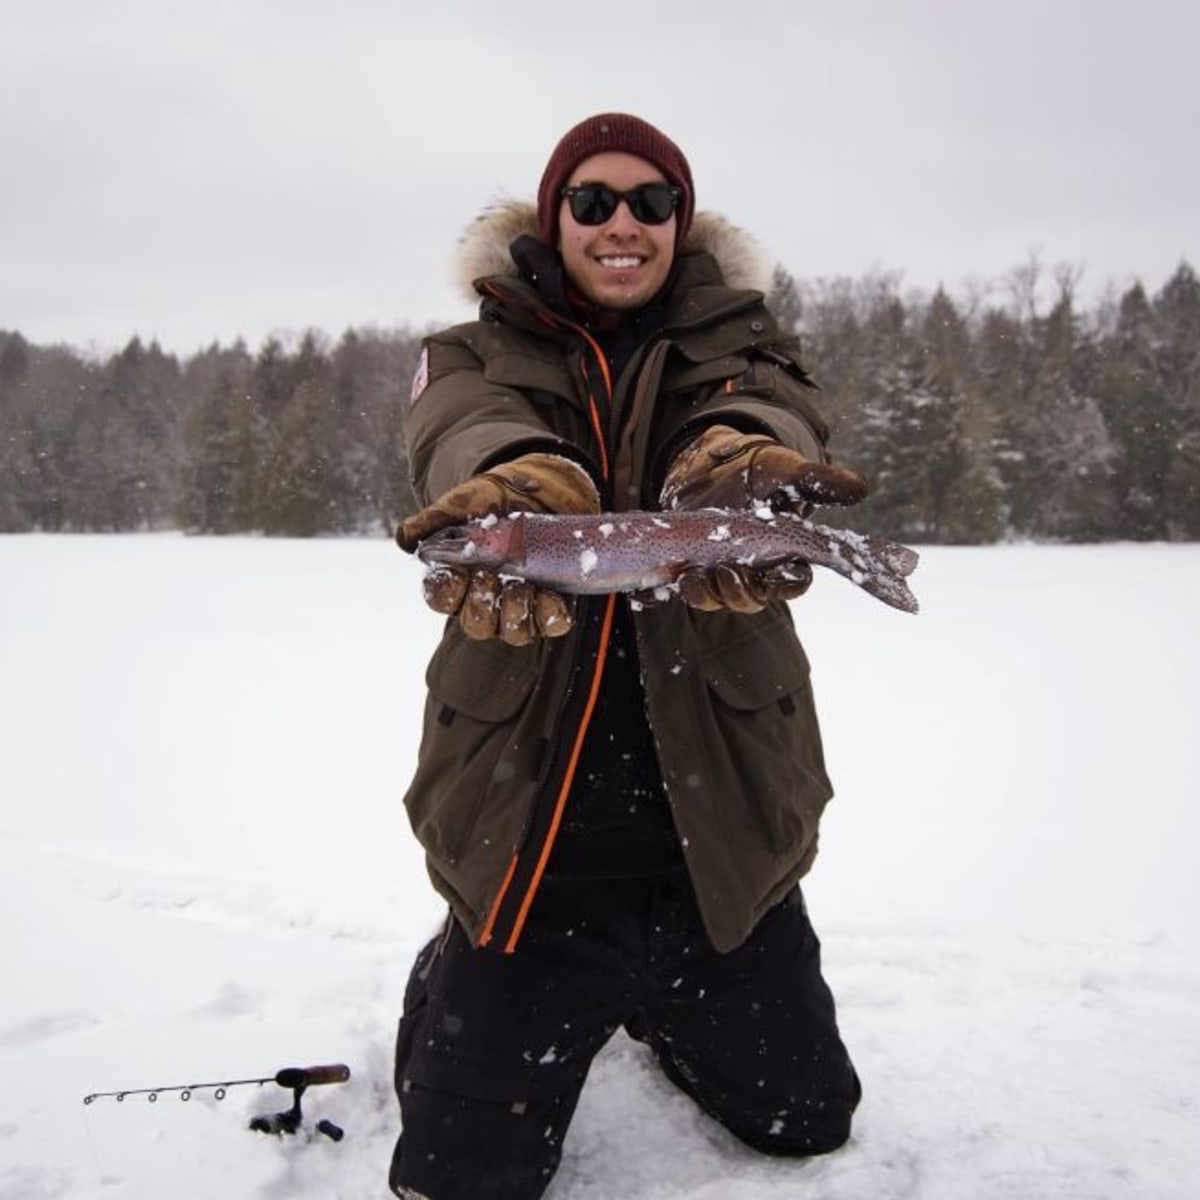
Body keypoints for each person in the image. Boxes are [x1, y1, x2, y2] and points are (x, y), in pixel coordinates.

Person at [389, 112, 868, 1200]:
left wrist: (734, 459)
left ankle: (661, 992)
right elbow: (461, 425)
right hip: (534, 849)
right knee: (457, 1181)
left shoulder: (745, 341)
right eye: (592, 201)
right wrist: (512, 479)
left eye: (651, 203)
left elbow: (767, 402)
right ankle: (457, 968)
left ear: (679, 222)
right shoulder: (469, 351)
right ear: (553, 219)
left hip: (717, 836)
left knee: (808, 1123)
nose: (622, 223)